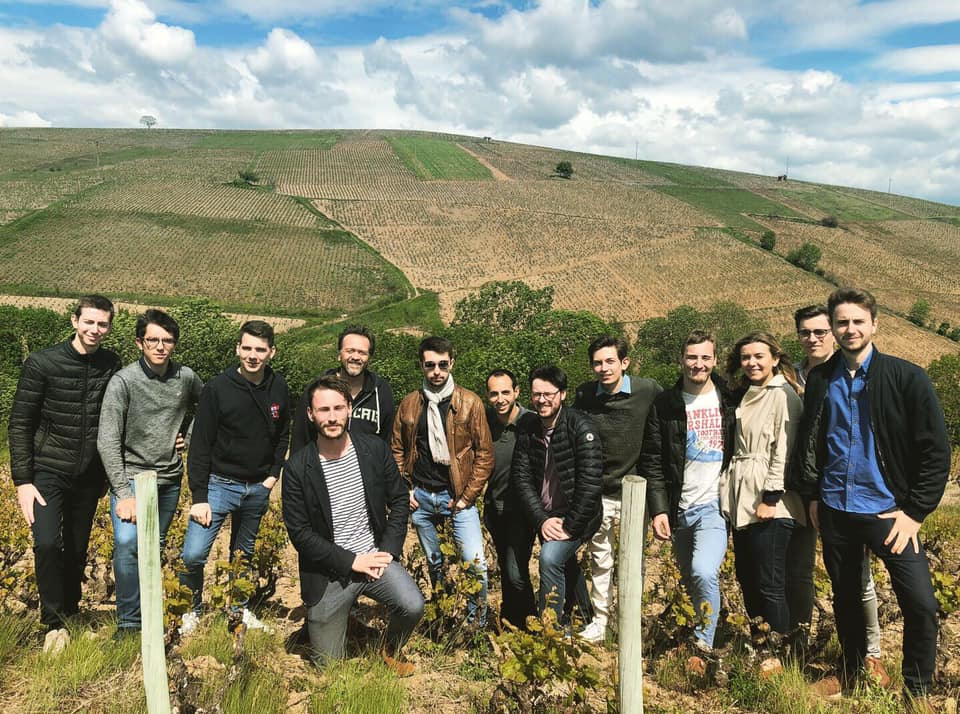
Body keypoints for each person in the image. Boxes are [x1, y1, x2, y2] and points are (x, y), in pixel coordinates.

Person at [792, 288, 949, 708]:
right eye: (842, 322)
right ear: (833, 328)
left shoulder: (907, 377)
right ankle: (852, 672)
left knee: (920, 603)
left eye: (858, 321)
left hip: (889, 514)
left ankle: (916, 691)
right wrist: (813, 494)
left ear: (875, 324)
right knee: (846, 600)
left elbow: (936, 452)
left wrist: (915, 512)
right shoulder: (821, 380)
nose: (850, 329)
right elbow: (812, 441)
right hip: (836, 509)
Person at [282, 375, 423, 674]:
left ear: (349, 409)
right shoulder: (297, 468)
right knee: (328, 667)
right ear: (310, 414)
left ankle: (389, 649)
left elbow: (399, 499)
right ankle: (336, 620)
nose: (332, 417)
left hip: (374, 559)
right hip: (329, 571)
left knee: (412, 605)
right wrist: (352, 561)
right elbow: (300, 534)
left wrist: (388, 550)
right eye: (323, 410)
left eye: (338, 408)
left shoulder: (374, 449)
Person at [8, 295, 121, 643]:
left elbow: (118, 417)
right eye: (89, 322)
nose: (95, 329)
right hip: (48, 470)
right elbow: (20, 423)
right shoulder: (42, 363)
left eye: (102, 324)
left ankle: (70, 614)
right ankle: (52, 623)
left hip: (89, 474)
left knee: (76, 548)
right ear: (74, 321)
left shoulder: (111, 364)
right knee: (46, 543)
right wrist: (23, 481)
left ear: (109, 327)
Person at [789, 305, 887, 685]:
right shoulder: (791, 375)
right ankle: (801, 647)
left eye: (819, 331)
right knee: (807, 572)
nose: (812, 338)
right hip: (803, 490)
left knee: (858, 577)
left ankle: (871, 656)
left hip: (845, 493)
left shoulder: (849, 373)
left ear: (832, 332)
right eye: (805, 332)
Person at [179, 320, 290, 635]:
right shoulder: (217, 388)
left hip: (257, 488)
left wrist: (272, 477)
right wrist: (199, 496)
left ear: (271, 352)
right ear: (237, 349)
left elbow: (283, 435)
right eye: (247, 348)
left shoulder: (279, 387)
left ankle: (238, 611)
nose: (253, 355)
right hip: (218, 485)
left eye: (260, 349)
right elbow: (200, 445)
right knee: (193, 554)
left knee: (243, 555)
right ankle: (190, 611)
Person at [97, 309, 203, 637]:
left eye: (167, 340)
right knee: (128, 543)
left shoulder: (186, 377)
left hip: (168, 478)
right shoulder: (123, 381)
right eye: (152, 339)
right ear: (139, 342)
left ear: (174, 344)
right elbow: (107, 440)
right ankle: (130, 623)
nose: (160, 346)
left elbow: (209, 406)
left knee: (153, 546)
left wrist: (189, 435)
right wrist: (123, 493)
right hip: (131, 477)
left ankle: (151, 618)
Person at [642, 330, 734, 664]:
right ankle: (694, 632)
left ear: (715, 360)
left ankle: (702, 646)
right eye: (692, 357)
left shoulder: (729, 400)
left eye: (705, 357)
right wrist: (659, 510)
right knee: (687, 580)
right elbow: (652, 460)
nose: (698, 364)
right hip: (679, 507)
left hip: (714, 506)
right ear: (681, 359)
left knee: (703, 571)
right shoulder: (665, 404)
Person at [391, 336, 493, 624]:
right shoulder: (410, 404)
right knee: (436, 565)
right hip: (422, 498)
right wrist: (405, 489)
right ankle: (443, 617)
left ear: (452, 364)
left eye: (442, 364)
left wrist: (466, 497)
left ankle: (476, 626)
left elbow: (485, 455)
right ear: (421, 366)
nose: (436, 371)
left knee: (475, 565)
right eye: (430, 365)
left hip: (457, 498)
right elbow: (397, 449)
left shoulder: (470, 403)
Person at [720, 331, 804, 662]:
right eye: (746, 357)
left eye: (759, 356)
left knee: (770, 582)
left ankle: (779, 657)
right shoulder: (745, 393)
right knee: (747, 577)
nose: (752, 362)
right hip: (742, 494)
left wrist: (770, 498)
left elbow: (784, 450)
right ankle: (761, 646)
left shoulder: (783, 395)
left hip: (770, 500)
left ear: (775, 358)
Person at [574, 335, 660, 643]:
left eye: (610, 361)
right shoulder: (585, 395)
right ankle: (601, 621)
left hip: (635, 494)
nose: (604, 368)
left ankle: (629, 621)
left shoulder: (648, 391)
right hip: (598, 493)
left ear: (625, 362)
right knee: (600, 559)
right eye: (597, 363)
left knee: (633, 561)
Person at [512, 365, 602, 622]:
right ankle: (585, 617)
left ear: (562, 394)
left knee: (551, 558)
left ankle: (552, 629)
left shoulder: (581, 427)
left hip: (577, 516)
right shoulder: (529, 428)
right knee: (566, 563)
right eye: (536, 394)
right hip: (546, 515)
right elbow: (521, 478)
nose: (542, 400)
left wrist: (570, 526)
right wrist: (542, 519)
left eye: (548, 394)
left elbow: (590, 484)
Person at [484, 369, 536, 630]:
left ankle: (530, 621)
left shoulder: (532, 422)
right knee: (506, 566)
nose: (500, 399)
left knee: (516, 570)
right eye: (494, 393)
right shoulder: (485, 422)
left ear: (517, 392)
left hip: (522, 511)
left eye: (505, 392)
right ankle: (510, 618)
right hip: (494, 508)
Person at [290, 325, 395, 451]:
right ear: (339, 354)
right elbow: (300, 437)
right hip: (322, 462)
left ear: (369, 358)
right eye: (350, 351)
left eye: (362, 352)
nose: (355, 357)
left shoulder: (381, 391)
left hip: (369, 463)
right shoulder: (318, 389)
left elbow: (387, 441)